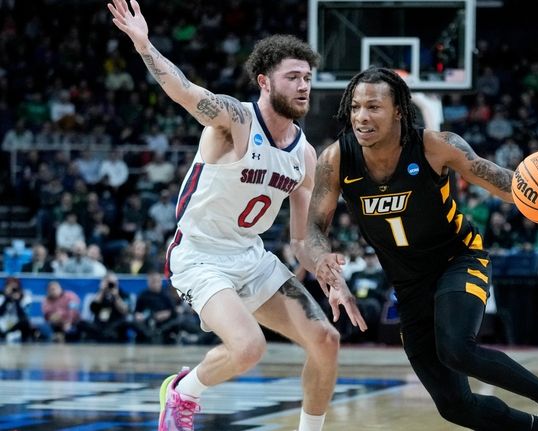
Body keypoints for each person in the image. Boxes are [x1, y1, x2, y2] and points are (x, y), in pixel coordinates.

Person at [107, 2, 366, 431]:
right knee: (249, 347)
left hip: (250, 256)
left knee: (326, 340)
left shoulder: (304, 156)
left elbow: (301, 241)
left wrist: (327, 274)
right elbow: (185, 90)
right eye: (293, 78)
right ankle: (182, 392)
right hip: (199, 256)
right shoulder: (235, 120)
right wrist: (144, 44)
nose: (304, 86)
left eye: (307, 78)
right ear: (265, 81)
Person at [304, 67, 538, 431]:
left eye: (373, 107)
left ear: (399, 109)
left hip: (457, 259)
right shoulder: (336, 159)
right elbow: (314, 227)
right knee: (454, 406)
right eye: (355, 107)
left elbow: (505, 182)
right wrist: (321, 257)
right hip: (409, 286)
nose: (361, 117)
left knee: (456, 348)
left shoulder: (435, 145)